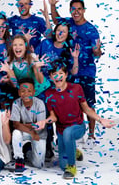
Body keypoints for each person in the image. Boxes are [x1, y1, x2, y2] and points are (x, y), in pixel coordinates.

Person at [34, 60, 115, 179]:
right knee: (62, 165)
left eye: (61, 73)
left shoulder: (76, 88)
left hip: (78, 127)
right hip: (61, 131)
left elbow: (86, 109)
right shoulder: (49, 94)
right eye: (54, 74)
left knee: (68, 134)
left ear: (66, 75)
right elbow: (53, 117)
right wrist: (44, 121)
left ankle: (72, 166)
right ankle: (74, 151)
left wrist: (100, 119)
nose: (58, 76)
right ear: (51, 77)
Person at [49, 0, 102, 148]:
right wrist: (52, 6)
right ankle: (67, 132)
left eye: (79, 9)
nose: (76, 12)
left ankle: (91, 135)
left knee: (88, 103)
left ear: (84, 10)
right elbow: (56, 21)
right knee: (69, 102)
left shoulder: (91, 30)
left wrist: (97, 50)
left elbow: (97, 53)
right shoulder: (69, 23)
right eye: (73, 9)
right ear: (70, 10)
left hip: (86, 72)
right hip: (69, 71)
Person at [35, 22, 80, 160]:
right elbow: (34, 58)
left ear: (67, 35)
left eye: (64, 32)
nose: (60, 34)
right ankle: (48, 147)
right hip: (43, 88)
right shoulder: (45, 43)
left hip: (60, 89)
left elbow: (73, 72)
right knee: (46, 116)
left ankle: (68, 145)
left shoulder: (68, 51)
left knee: (62, 118)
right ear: (54, 31)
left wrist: (75, 58)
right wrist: (36, 62)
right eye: (58, 30)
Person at [11, 78, 47, 174]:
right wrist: (31, 129)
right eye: (23, 91)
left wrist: (23, 125)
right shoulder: (16, 103)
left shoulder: (40, 103)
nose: (26, 94)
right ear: (19, 92)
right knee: (16, 133)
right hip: (27, 132)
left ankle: (27, 150)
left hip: (38, 134)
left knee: (38, 164)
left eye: (29, 91)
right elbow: (16, 124)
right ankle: (19, 159)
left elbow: (39, 126)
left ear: (34, 92)